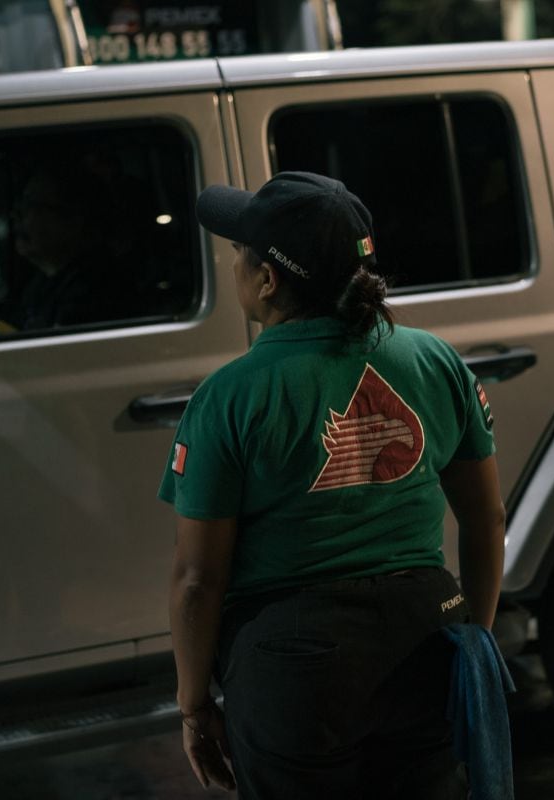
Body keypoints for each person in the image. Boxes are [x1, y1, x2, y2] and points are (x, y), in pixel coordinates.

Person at [159, 171, 507, 798]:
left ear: (268, 280)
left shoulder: (230, 396)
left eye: (239, 252)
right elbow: (487, 521)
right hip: (427, 637)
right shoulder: (435, 361)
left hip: (295, 665)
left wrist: (193, 706)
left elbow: (197, 579)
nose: (234, 265)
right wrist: (471, 642)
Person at [0, 158, 145, 335]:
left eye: (32, 205)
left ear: (74, 221)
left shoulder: (99, 290)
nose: (16, 215)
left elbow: (50, 359)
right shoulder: (45, 283)